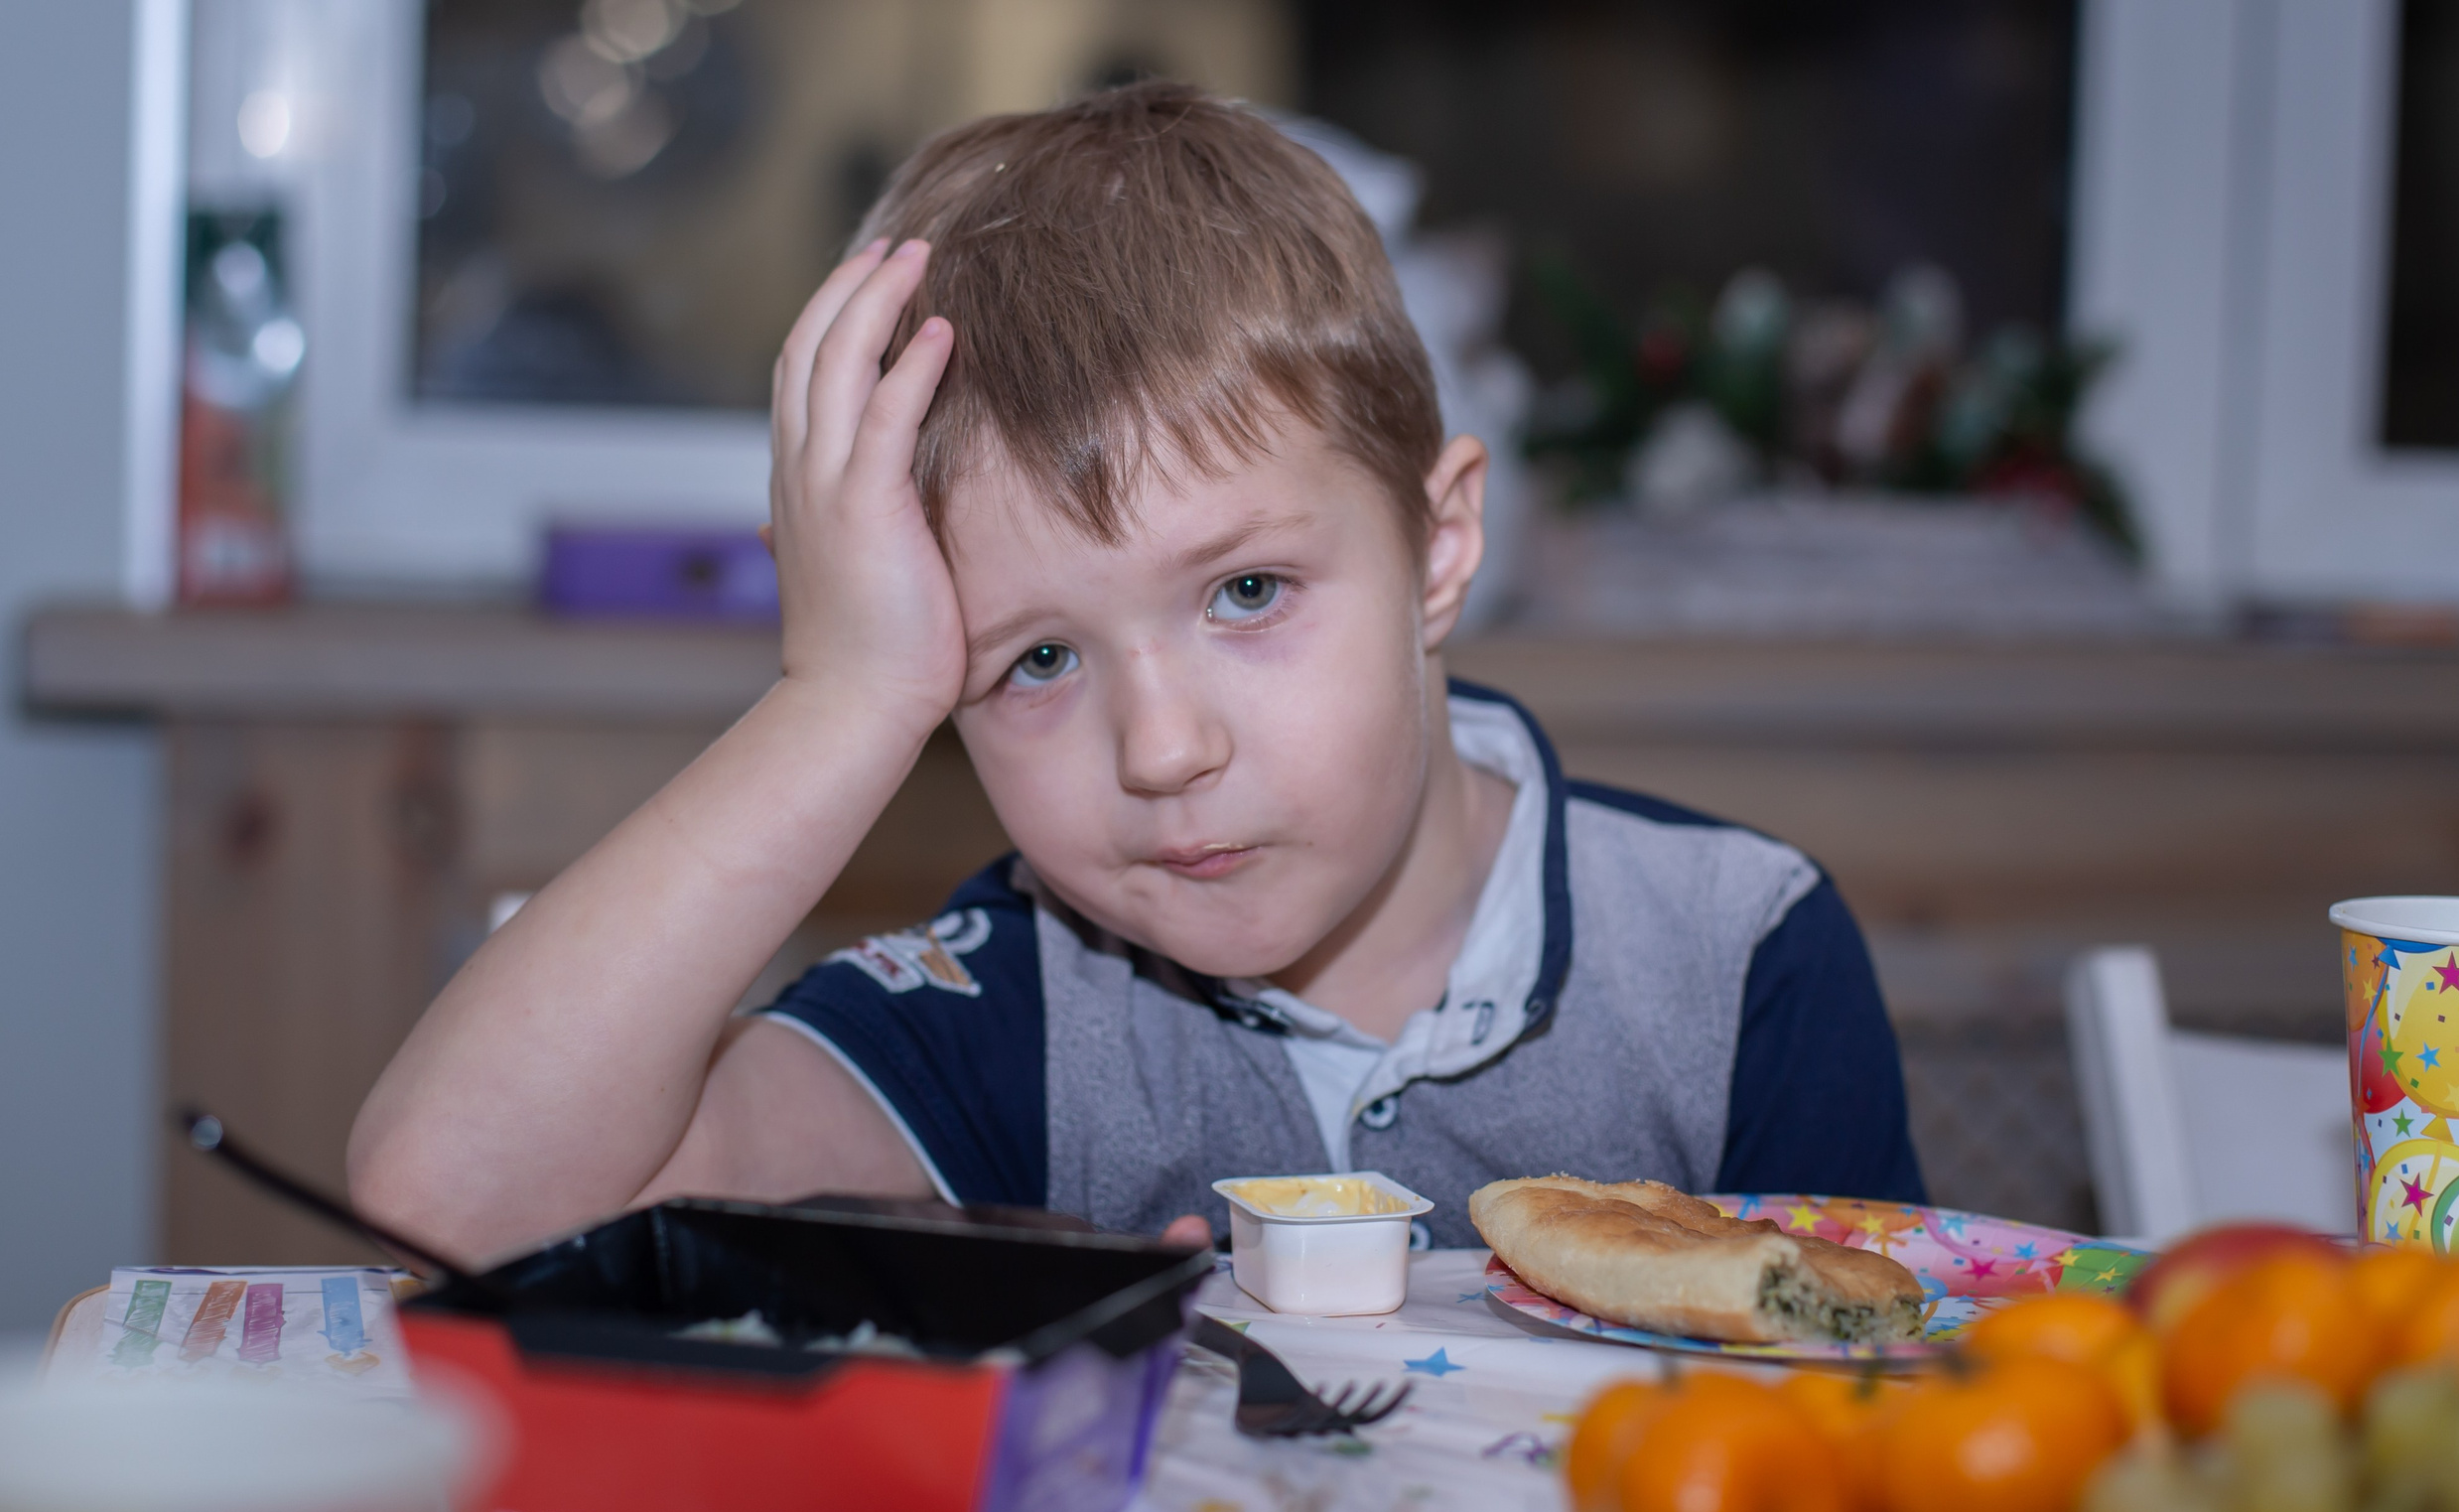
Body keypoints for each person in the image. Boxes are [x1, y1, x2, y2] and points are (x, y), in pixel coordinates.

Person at [347, 82, 1923, 1263]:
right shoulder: (1016, 998)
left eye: (1246, 590)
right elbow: (457, 1199)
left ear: (1440, 552)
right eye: (1033, 659)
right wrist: (837, 700)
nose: (1160, 748)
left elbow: (1870, 1443)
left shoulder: (1738, 961)